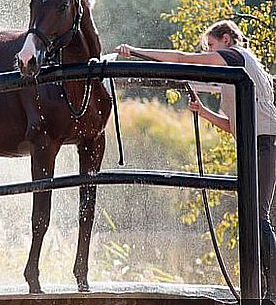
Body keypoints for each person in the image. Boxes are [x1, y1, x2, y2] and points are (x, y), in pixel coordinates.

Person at [115, 20, 276, 299]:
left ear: (226, 40)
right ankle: (263, 288)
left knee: (257, 215)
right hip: (259, 143)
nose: (209, 51)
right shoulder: (241, 70)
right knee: (253, 214)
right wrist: (202, 111)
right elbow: (233, 125)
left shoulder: (236, 55)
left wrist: (136, 51)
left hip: (264, 144)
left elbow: (181, 59)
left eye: (211, 46)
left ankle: (272, 288)